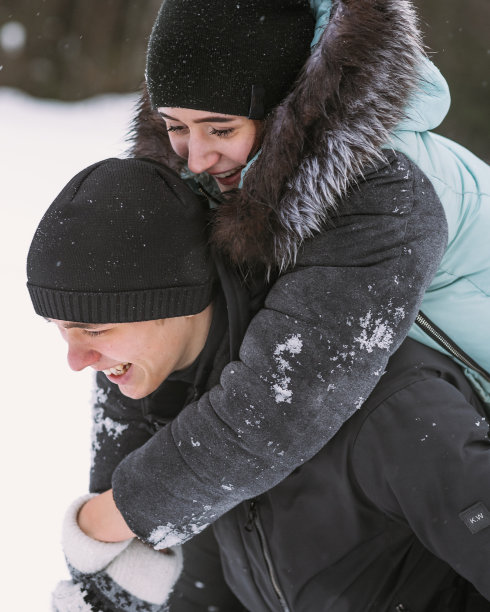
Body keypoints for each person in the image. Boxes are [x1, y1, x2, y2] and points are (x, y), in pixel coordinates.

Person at [27, 159, 490, 611]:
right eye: (60, 328)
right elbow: (209, 591)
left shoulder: (396, 408)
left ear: (177, 298)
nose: (74, 360)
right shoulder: (184, 412)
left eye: (95, 330)